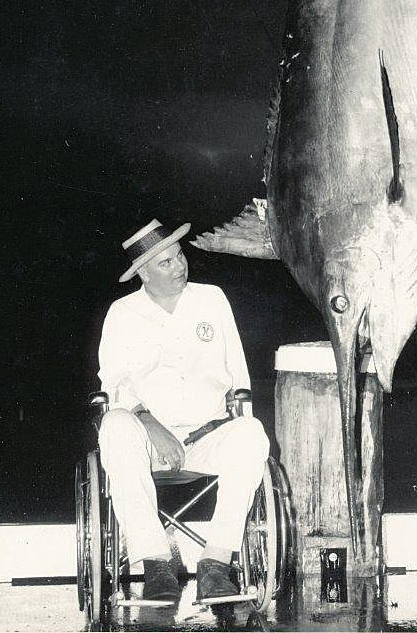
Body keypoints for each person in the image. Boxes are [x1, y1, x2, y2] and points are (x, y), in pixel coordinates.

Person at [97, 219, 270, 603]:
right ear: (142, 273)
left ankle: (215, 564)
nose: (179, 267)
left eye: (179, 256)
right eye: (165, 263)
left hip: (207, 436)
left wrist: (240, 419)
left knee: (252, 432)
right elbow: (113, 385)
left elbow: (237, 375)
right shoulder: (122, 314)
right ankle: (156, 564)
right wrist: (151, 425)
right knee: (114, 425)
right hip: (148, 442)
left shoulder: (212, 300)